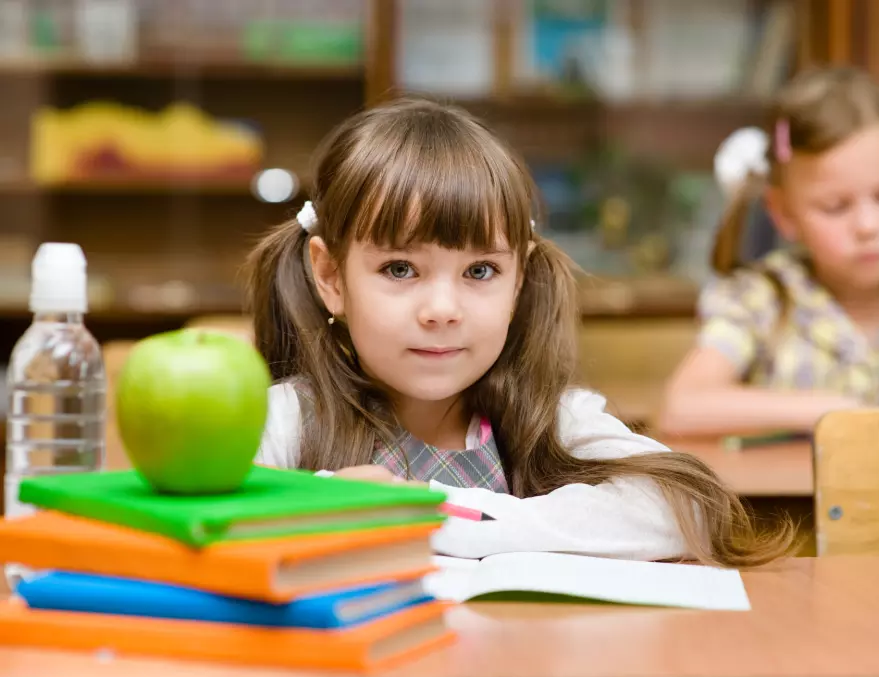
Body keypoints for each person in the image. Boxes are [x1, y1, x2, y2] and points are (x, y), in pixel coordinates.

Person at [245, 98, 792, 566]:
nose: (442, 310)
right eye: (400, 269)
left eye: (480, 271)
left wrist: (428, 517)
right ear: (331, 277)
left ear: (518, 281)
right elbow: (216, 528)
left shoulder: (550, 417)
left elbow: (684, 507)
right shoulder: (285, 421)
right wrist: (317, 509)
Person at [658, 66, 879, 438]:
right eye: (835, 206)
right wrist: (833, 410)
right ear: (783, 212)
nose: (867, 226)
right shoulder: (760, 303)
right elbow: (681, 408)